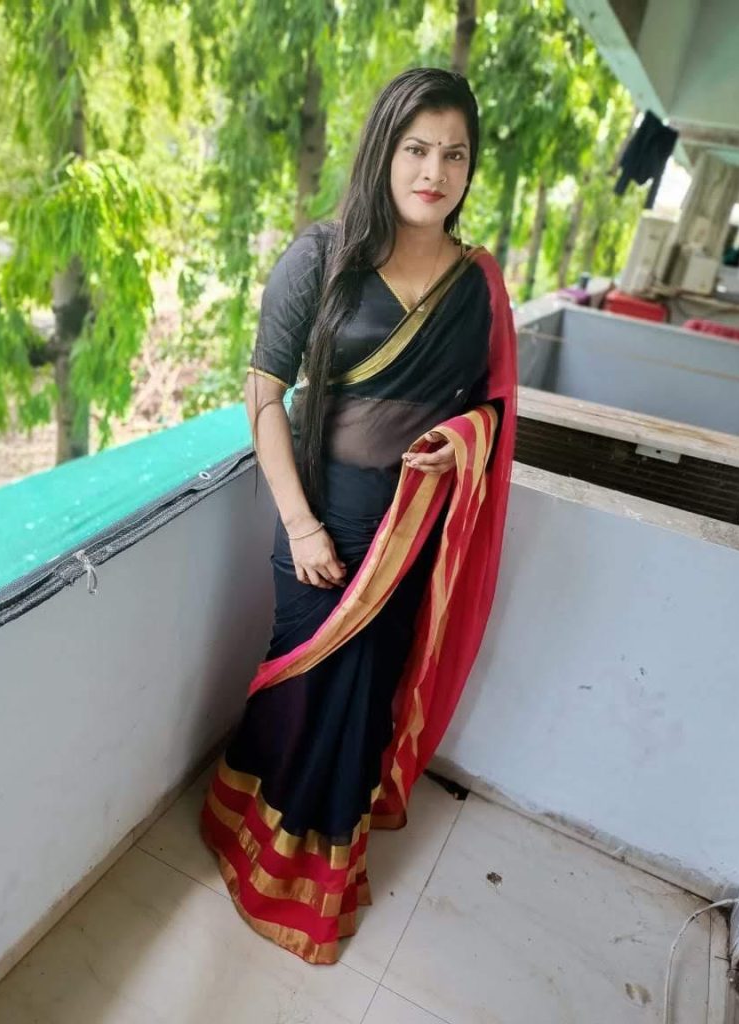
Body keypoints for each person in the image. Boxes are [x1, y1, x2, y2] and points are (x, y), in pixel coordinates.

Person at [200, 66, 517, 965]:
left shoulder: (478, 283)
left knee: (368, 698)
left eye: (455, 155)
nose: (435, 171)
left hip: (413, 534)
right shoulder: (321, 256)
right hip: (322, 526)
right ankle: (251, 838)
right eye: (417, 148)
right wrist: (301, 525)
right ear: (384, 150)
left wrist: (461, 438)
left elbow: (492, 409)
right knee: (302, 694)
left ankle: (325, 868)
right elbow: (264, 396)